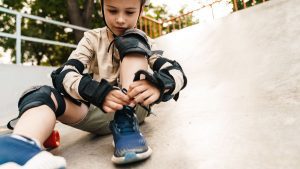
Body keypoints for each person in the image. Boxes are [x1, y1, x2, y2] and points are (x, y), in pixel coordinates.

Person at [0, 0, 187, 168]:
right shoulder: (92, 39)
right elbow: (65, 73)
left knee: (133, 41)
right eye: (112, 11)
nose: (120, 19)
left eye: (129, 12)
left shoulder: (146, 42)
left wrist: (159, 85)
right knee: (40, 94)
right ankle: (21, 148)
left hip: (133, 106)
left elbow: (176, 73)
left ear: (140, 10)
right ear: (101, 7)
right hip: (98, 106)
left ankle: (125, 123)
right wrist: (96, 92)